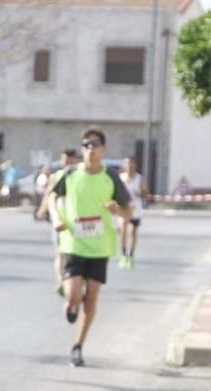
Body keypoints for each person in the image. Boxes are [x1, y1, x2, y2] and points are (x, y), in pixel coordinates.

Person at [47, 127, 132, 367]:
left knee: (91, 300)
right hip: (73, 243)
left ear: (103, 149)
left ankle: (78, 346)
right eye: (86, 144)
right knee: (74, 294)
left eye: (95, 144)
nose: (90, 149)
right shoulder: (71, 173)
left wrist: (119, 210)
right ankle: (72, 302)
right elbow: (52, 197)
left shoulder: (111, 177)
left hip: (100, 248)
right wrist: (55, 218)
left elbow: (129, 211)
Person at [36, 148, 79, 296]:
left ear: (76, 160)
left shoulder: (81, 176)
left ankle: (76, 281)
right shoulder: (56, 176)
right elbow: (49, 194)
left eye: (70, 160)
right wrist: (42, 209)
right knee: (60, 252)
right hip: (59, 221)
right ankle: (61, 281)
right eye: (65, 159)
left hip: (77, 221)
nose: (67, 162)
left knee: (75, 253)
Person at [118, 157, 149, 269]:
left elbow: (146, 194)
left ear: (135, 165)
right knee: (122, 229)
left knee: (133, 231)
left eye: (131, 163)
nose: (129, 166)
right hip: (123, 208)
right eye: (127, 164)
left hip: (136, 209)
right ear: (124, 166)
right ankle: (123, 254)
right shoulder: (121, 178)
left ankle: (131, 255)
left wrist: (139, 194)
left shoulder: (140, 179)